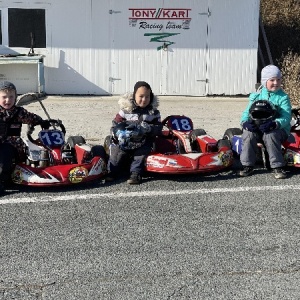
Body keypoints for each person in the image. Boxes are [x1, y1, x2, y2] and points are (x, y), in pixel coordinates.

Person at [239, 65, 292, 179]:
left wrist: (275, 124)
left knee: (270, 135)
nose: (276, 83)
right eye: (272, 80)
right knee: (248, 134)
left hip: (278, 129)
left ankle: (277, 166)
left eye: (278, 80)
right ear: (264, 81)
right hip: (258, 127)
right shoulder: (257, 96)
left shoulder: (283, 97)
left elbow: (287, 116)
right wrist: (245, 122)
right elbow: (246, 112)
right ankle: (247, 165)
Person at [106, 81, 162, 184]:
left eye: (147, 96)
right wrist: (116, 133)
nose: (144, 100)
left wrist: (148, 128)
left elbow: (158, 128)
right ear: (134, 96)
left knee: (141, 153)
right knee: (116, 151)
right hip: (124, 141)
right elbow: (115, 124)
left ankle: (135, 173)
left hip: (143, 140)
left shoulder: (153, 113)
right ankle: (112, 171)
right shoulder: (126, 110)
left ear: (151, 97)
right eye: (141, 96)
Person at [0, 81, 50, 194]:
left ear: (15, 97)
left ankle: (2, 181)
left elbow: (31, 117)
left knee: (4, 153)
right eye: (4, 97)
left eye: (11, 97)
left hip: (12, 146)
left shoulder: (19, 112)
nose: (7, 100)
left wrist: (42, 121)